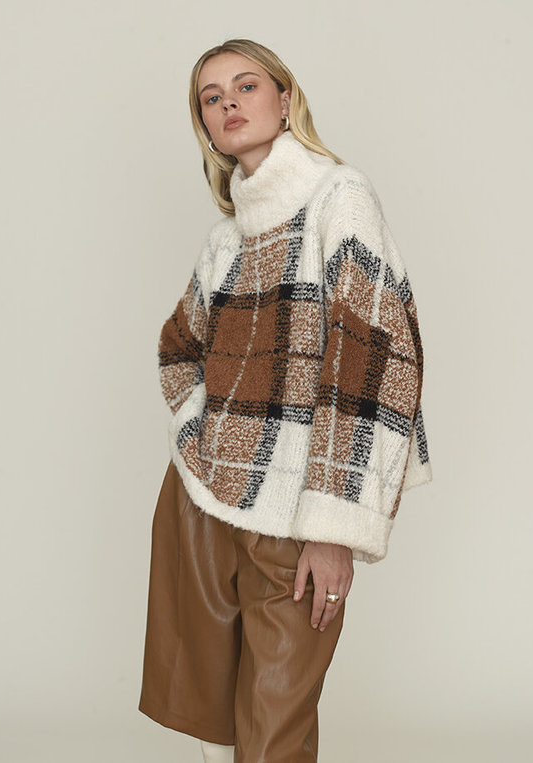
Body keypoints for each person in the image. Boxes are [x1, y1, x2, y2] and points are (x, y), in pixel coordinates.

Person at [138, 38, 432, 763]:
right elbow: (178, 348)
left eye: (246, 86)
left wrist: (335, 527)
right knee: (216, 729)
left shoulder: (340, 198)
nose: (230, 104)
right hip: (204, 503)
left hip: (298, 514)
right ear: (206, 126)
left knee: (272, 736)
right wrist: (200, 433)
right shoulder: (225, 240)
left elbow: (375, 362)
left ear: (285, 99)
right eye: (212, 98)